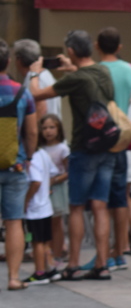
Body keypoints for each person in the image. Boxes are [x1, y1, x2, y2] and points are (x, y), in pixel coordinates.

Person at [28, 30, 114, 281]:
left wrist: (35, 73)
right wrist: (71, 68)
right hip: (107, 146)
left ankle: (73, 264)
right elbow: (89, 83)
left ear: (71, 51)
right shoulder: (102, 71)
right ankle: (102, 264)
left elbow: (36, 94)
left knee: (76, 207)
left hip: (84, 147)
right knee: (100, 206)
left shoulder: (77, 79)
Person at [96, 27, 131, 270]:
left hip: (101, 139)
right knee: (120, 197)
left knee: (101, 200)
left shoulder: (97, 70)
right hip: (122, 138)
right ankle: (120, 249)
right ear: (120, 47)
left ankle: (103, 254)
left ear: (97, 46)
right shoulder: (129, 69)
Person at [1, 37, 37, 290]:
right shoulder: (23, 93)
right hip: (15, 165)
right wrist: (29, 157)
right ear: (8, 62)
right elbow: (32, 132)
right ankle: (13, 278)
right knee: (14, 220)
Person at [21, 140, 60, 285]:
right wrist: (46, 188)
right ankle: (50, 269)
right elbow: (53, 172)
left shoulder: (32, 158)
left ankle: (39, 273)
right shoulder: (43, 153)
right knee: (45, 241)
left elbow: (36, 181)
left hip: (34, 208)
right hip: (45, 205)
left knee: (37, 241)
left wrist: (26, 200)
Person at [39, 114, 69, 270]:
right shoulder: (40, 148)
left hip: (57, 188)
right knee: (45, 223)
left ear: (58, 129)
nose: (48, 131)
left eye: (52, 127)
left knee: (56, 222)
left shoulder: (63, 149)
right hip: (42, 188)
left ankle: (57, 254)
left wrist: (55, 180)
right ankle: (47, 254)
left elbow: (69, 171)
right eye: (44, 128)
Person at [12, 39, 61, 119]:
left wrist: (33, 127)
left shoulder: (34, 77)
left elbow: (40, 108)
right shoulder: (46, 74)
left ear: (19, 60)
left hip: (42, 126)